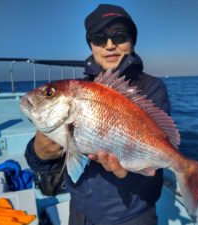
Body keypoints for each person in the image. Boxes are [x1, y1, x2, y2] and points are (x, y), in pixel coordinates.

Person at [25, 4, 171, 225]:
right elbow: (51, 164)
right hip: (80, 211)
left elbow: (156, 151)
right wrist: (40, 153)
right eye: (99, 37)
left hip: (131, 214)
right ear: (91, 44)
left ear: (132, 40)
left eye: (120, 36)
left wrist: (129, 173)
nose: (110, 45)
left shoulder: (151, 88)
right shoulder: (82, 88)